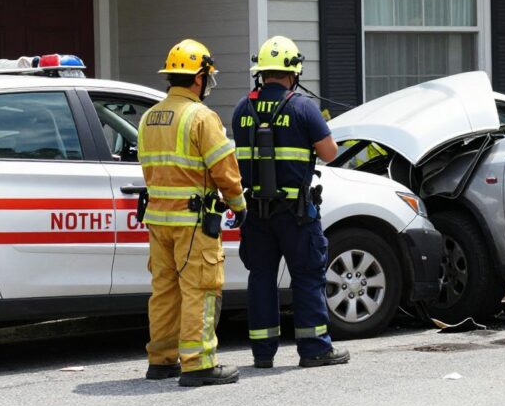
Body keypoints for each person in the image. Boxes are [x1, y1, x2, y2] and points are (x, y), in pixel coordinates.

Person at [232, 35, 349, 369]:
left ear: (262, 73)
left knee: (261, 278)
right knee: (308, 277)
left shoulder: (243, 109)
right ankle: (314, 349)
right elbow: (329, 153)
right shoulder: (301, 107)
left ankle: (262, 353)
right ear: (294, 71)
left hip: (256, 212)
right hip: (297, 213)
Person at [138, 39, 247, 387]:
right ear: (198, 78)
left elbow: (149, 168)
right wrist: (238, 204)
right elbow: (224, 169)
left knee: (164, 292)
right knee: (200, 289)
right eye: (207, 77)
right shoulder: (201, 116)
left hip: (158, 221)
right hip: (194, 223)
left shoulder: (149, 118)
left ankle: (161, 360)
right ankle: (198, 363)